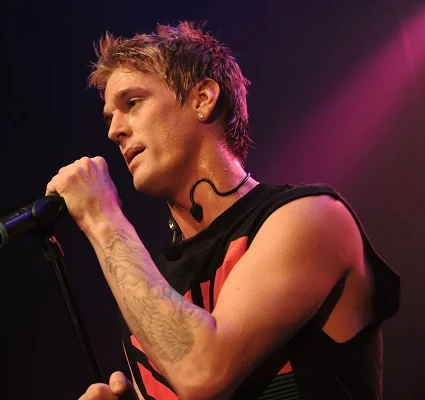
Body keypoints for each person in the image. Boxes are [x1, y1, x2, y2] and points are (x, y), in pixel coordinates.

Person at [45, 21, 401, 400]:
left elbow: (203, 373)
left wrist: (102, 219)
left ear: (202, 99)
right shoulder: (149, 281)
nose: (114, 130)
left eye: (132, 103)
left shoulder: (310, 217)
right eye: (109, 118)